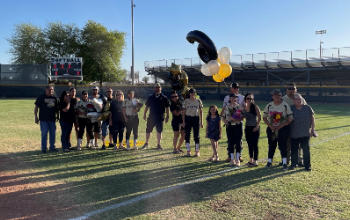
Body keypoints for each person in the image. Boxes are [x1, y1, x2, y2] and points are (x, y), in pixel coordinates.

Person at [263, 89, 293, 170]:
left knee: (283, 145)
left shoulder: (285, 105)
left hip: (283, 128)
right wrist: (270, 126)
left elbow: (290, 118)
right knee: (271, 145)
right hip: (271, 128)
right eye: (275, 95)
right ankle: (269, 162)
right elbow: (264, 117)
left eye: (278, 95)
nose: (276, 97)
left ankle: (284, 163)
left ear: (281, 96)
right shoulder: (269, 105)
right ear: (272, 97)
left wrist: (281, 125)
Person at [282, 83, 307, 166]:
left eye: (293, 88)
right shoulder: (283, 99)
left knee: (298, 144)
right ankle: (286, 160)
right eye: (289, 88)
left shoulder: (299, 98)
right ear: (286, 90)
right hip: (286, 125)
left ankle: (299, 160)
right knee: (286, 143)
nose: (291, 90)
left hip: (298, 125)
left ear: (296, 90)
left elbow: (305, 109)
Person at [289, 93, 315, 171]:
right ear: (293, 100)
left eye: (299, 98)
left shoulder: (307, 108)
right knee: (294, 149)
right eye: (296, 99)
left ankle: (307, 165)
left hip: (305, 132)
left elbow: (312, 118)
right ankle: (294, 164)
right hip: (294, 132)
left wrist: (312, 129)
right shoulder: (290, 109)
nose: (298, 100)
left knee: (306, 150)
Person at [141, 83, 170, 150]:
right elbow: (147, 106)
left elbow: (167, 107)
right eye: (156, 87)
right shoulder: (151, 97)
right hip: (151, 117)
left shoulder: (164, 98)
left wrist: (167, 116)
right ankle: (146, 143)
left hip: (160, 117)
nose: (157, 89)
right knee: (148, 130)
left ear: (161, 88)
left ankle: (158, 144)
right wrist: (144, 114)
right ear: (154, 88)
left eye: (158, 87)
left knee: (159, 131)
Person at [222, 82, 244, 163]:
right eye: (234, 88)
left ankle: (238, 156)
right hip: (230, 125)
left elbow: (242, 114)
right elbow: (223, 113)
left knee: (239, 140)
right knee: (230, 141)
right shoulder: (227, 101)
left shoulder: (241, 99)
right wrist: (226, 121)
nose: (236, 89)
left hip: (238, 124)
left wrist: (235, 118)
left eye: (237, 88)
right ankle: (231, 156)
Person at [34, 86, 59, 153]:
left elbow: (56, 108)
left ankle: (52, 147)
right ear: (46, 90)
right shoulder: (41, 97)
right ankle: (44, 148)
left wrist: (57, 116)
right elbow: (36, 107)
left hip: (52, 119)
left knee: (53, 133)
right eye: (49, 89)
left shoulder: (54, 98)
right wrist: (36, 117)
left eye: (52, 89)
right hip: (43, 119)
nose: (51, 90)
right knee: (44, 133)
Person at [182, 88, 204, 157]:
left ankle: (197, 151)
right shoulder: (186, 101)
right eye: (191, 93)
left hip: (195, 118)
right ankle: (188, 151)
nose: (192, 94)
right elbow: (184, 112)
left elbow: (201, 111)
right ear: (189, 93)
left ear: (195, 93)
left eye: (193, 93)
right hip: (188, 118)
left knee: (196, 136)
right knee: (187, 135)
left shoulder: (198, 101)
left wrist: (201, 122)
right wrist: (183, 121)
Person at [243, 93, 261, 167]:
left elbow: (259, 117)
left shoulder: (255, 107)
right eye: (248, 98)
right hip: (247, 127)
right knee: (249, 144)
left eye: (251, 99)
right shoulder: (244, 107)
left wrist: (257, 126)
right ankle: (251, 160)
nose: (250, 100)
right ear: (245, 99)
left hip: (254, 127)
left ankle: (255, 161)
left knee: (254, 145)